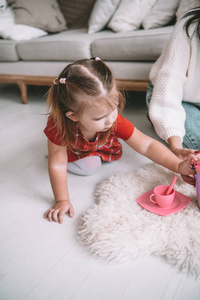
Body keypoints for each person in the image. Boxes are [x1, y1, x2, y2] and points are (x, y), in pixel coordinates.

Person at [44, 57, 198, 224]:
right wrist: (62, 200)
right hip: (75, 152)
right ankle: (59, 151)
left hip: (103, 149)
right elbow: (58, 164)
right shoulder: (57, 127)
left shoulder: (113, 120)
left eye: (114, 108)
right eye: (100, 118)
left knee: (101, 158)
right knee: (90, 166)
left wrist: (177, 165)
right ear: (73, 116)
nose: (110, 120)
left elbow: (147, 145)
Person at [146, 7, 200, 161]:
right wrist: (176, 147)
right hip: (174, 96)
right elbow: (168, 94)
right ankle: (155, 115)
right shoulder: (189, 27)